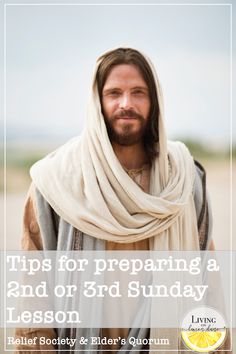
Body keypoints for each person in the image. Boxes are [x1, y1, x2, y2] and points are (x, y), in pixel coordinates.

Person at [15, 47, 214, 353]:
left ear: (154, 100)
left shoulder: (185, 182)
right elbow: (33, 297)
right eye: (114, 93)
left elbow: (207, 285)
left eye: (138, 92)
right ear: (97, 101)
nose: (126, 104)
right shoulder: (56, 182)